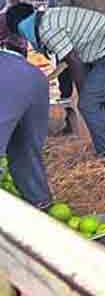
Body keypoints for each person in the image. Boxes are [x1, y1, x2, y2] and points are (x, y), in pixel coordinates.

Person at [5, 3, 105, 159]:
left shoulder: (47, 30)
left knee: (89, 105)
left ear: (21, 27)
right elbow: (71, 59)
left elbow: (74, 61)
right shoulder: (48, 18)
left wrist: (84, 94)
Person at [0, 29, 53, 209]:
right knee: (25, 150)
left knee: (24, 148)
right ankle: (40, 204)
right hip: (31, 76)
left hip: (11, 78)